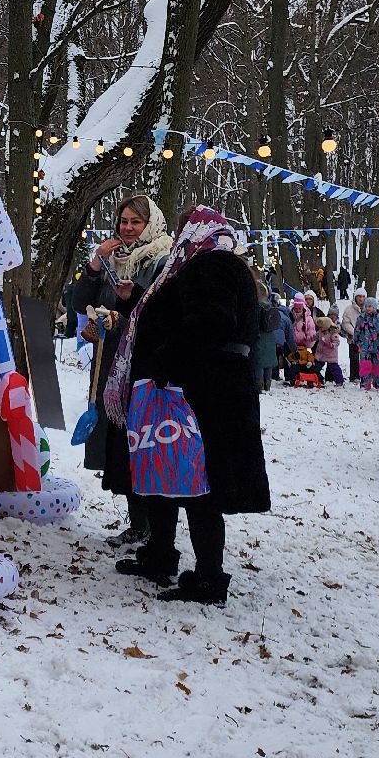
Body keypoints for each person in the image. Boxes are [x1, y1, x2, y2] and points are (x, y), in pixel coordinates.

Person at [111, 206, 270, 605]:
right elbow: (173, 319)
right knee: (168, 478)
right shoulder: (202, 265)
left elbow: (208, 322)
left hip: (203, 392)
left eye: (183, 230)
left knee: (200, 487)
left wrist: (164, 362)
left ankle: (208, 578)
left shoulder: (212, 265)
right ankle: (160, 555)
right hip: (196, 389)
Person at [72, 193, 174, 547]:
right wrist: (95, 266)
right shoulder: (113, 259)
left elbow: (161, 312)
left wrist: (127, 304)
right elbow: (76, 303)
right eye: (123, 221)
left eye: (135, 222)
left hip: (143, 366)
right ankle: (137, 521)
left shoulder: (162, 258)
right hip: (112, 362)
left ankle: (155, 527)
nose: (128, 228)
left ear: (150, 224)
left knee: (143, 442)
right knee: (119, 444)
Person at [250, 286, 284, 393]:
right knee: (268, 363)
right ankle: (267, 385)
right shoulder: (270, 306)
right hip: (270, 337)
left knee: (259, 362)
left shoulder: (256, 306)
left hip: (259, 336)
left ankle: (259, 385)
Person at [352, 296, 379, 391]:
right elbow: (357, 330)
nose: (368, 308)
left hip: (377, 346)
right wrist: (356, 340)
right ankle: (365, 384)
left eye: (370, 306)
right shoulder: (361, 317)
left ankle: (378, 384)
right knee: (365, 365)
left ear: (374, 307)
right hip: (364, 345)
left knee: (377, 366)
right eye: (366, 306)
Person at [339, 292, 370, 381]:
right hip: (352, 337)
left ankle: (365, 375)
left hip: (366, 338)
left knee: (365, 357)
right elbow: (345, 323)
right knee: (354, 357)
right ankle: (354, 376)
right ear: (356, 297)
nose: (361, 299)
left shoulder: (368, 308)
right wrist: (355, 333)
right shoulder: (349, 309)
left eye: (363, 296)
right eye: (359, 296)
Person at [313, 316, 344, 384]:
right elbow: (315, 336)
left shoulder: (333, 333)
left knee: (334, 368)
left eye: (321, 327)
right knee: (316, 367)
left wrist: (332, 345)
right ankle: (319, 379)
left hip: (330, 354)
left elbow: (337, 342)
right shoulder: (320, 332)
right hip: (321, 354)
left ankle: (339, 381)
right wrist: (309, 338)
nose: (320, 328)